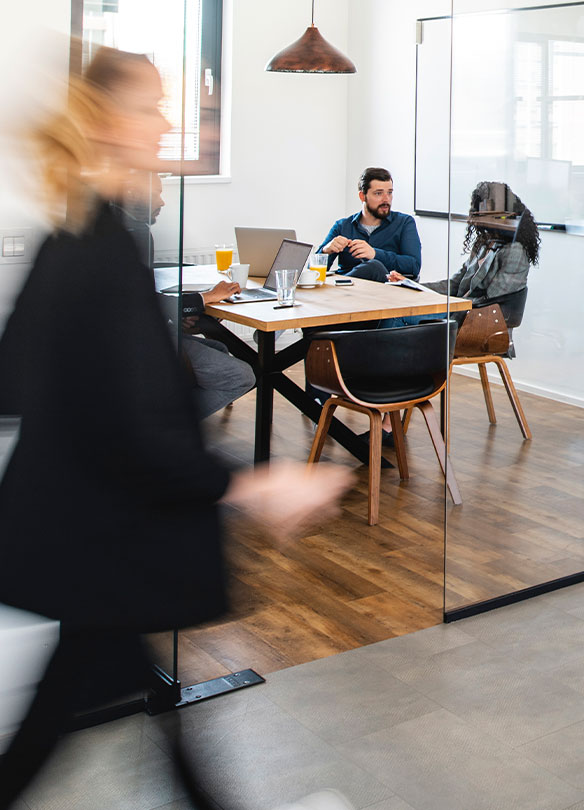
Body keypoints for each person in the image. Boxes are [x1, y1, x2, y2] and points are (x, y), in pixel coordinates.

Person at [0, 47, 351, 809]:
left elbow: (17, 369)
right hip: (100, 538)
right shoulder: (102, 242)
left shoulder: (77, 232)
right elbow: (132, 428)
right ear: (105, 121)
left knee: (88, 717)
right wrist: (255, 482)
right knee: (68, 724)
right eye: (150, 105)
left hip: (85, 533)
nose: (164, 122)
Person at [118, 170, 256, 417]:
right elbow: (136, 303)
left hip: (135, 335)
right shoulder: (133, 233)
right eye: (156, 194)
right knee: (242, 375)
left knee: (218, 348)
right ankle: (164, 427)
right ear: (132, 194)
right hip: (135, 343)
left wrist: (178, 313)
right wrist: (205, 298)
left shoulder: (120, 227)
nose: (162, 201)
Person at [380, 180, 539, 329]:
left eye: (489, 210)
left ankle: (403, 359)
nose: (483, 215)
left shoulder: (515, 251)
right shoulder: (485, 244)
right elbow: (454, 284)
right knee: (391, 310)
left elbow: (491, 301)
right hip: (458, 309)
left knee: (394, 317)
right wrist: (412, 286)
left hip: (476, 320)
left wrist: (446, 305)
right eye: (481, 210)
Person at [318, 167, 422, 281]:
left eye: (389, 192)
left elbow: (414, 266)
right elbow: (312, 271)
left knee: (374, 266)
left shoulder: (404, 223)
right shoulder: (342, 226)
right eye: (378, 193)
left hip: (384, 291)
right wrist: (325, 251)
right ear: (362, 196)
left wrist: (374, 254)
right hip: (347, 292)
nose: (386, 199)